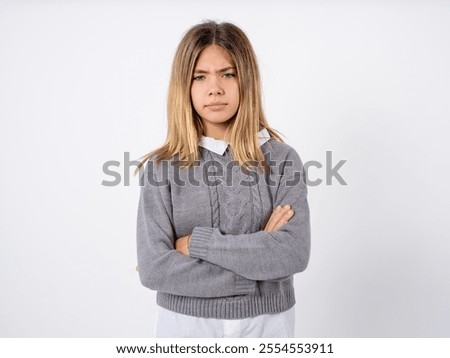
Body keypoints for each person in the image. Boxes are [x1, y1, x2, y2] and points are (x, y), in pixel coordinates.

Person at [134, 20, 311, 338]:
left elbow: (292, 253)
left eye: (228, 74)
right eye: (199, 77)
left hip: (267, 324)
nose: (214, 88)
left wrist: (199, 244)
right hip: (185, 326)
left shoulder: (283, 160)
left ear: (247, 80)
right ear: (184, 87)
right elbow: (154, 269)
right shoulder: (162, 169)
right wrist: (257, 268)